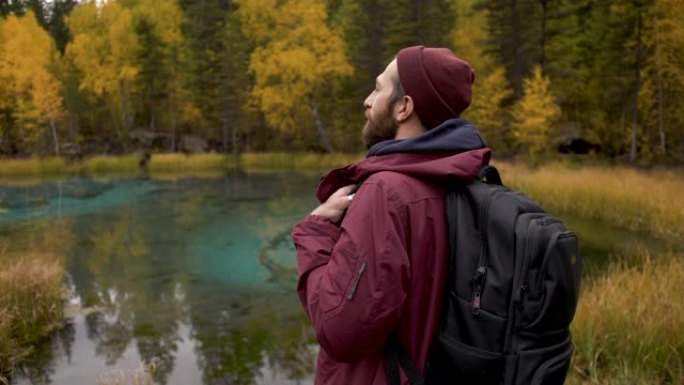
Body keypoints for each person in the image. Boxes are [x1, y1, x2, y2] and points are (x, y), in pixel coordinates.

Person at [292, 46, 491, 384]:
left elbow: (340, 330)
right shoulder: (464, 178)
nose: (367, 101)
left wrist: (316, 230)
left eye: (379, 88)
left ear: (404, 107)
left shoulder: (386, 193)